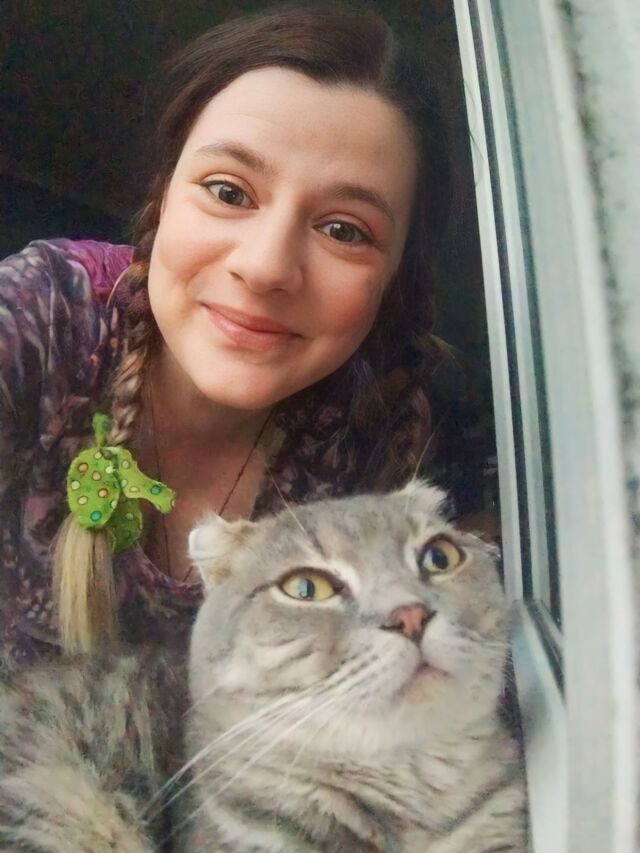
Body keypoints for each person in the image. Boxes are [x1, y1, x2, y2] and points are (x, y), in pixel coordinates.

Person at [0, 3, 491, 667]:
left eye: (344, 230)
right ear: (163, 198)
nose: (265, 267)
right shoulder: (48, 315)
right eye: (229, 192)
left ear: (393, 284)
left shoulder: (374, 439)